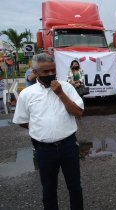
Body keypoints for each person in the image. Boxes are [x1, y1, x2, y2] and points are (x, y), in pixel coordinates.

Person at [13, 53, 84, 210]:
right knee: (49, 189)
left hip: (69, 146)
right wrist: (41, 129)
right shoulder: (27, 94)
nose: (51, 74)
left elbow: (78, 112)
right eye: (45, 72)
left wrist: (60, 94)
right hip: (44, 149)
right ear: (36, 72)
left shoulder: (67, 87)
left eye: (53, 70)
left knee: (75, 187)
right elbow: (22, 120)